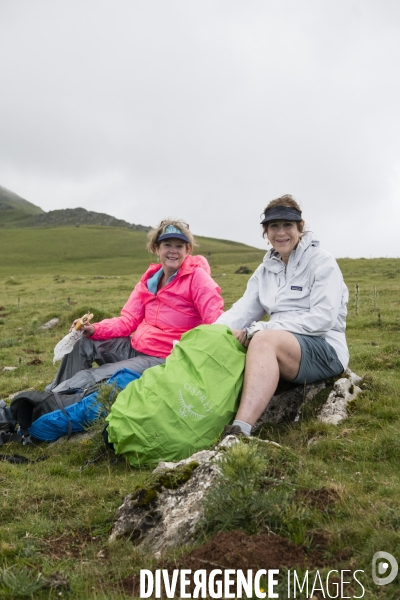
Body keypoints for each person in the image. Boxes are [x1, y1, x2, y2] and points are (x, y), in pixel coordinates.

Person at [215, 195, 349, 437]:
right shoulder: (265, 269)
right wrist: (209, 333)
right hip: (285, 346)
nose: (281, 232)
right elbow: (243, 310)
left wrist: (263, 329)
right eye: (273, 226)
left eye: (287, 225)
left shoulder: (322, 262)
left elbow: (323, 318)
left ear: (300, 227)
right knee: (225, 343)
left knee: (262, 339)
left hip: (325, 348)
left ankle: (239, 432)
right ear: (266, 232)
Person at [48, 219, 224, 393]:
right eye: (167, 244)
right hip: (137, 347)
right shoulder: (150, 280)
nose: (173, 251)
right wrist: (94, 329)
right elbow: (128, 320)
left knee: (94, 376)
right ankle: (54, 397)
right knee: (83, 342)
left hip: (166, 357)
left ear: (188, 250)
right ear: (157, 248)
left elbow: (216, 321)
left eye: (179, 246)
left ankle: (55, 403)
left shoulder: (197, 278)